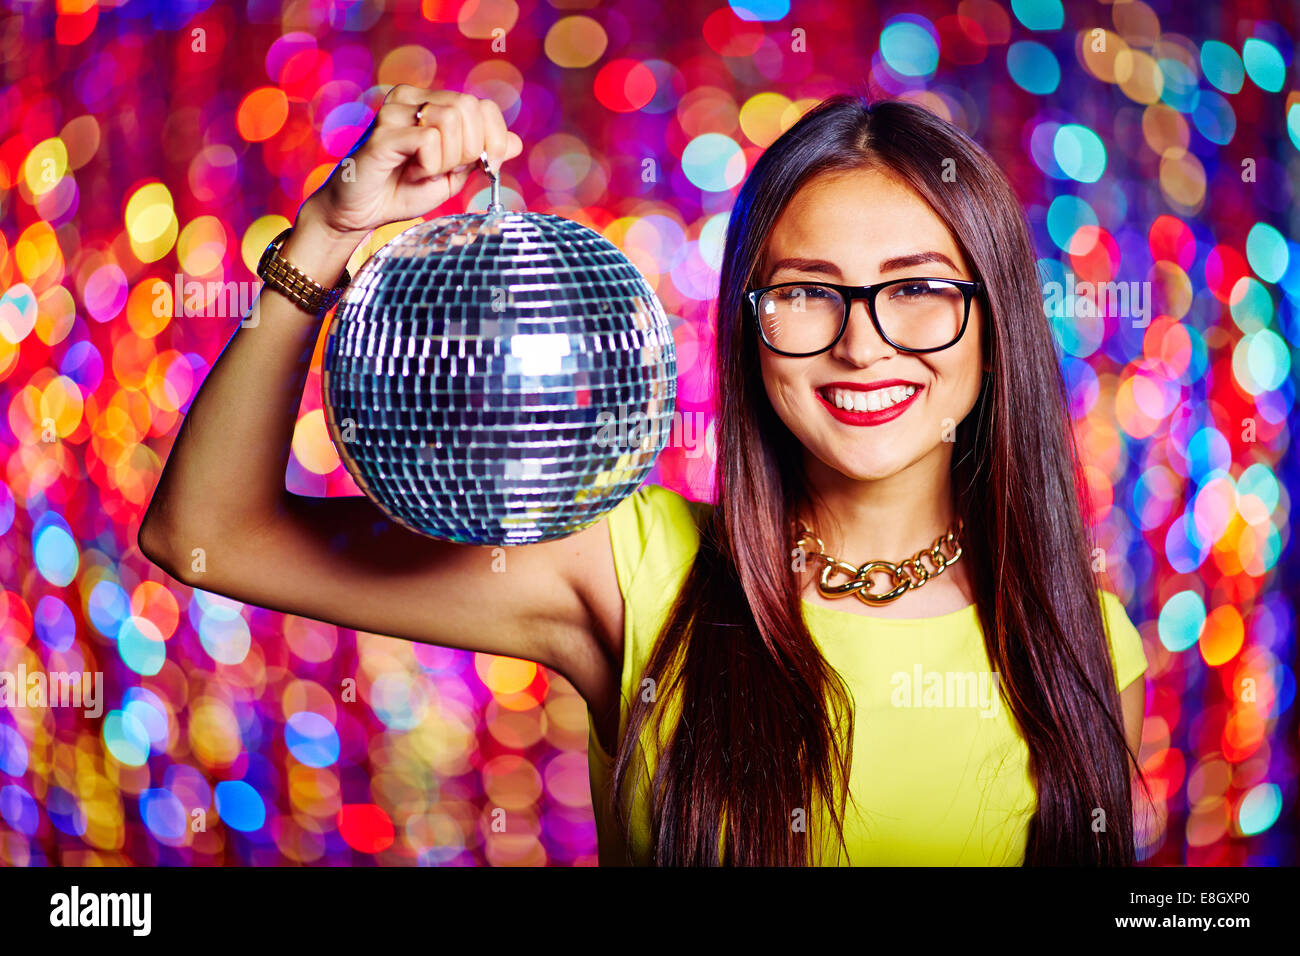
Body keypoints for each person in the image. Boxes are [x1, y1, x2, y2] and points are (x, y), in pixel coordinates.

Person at [140, 87, 1148, 867]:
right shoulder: (631, 567)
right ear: (748, 325)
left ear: (997, 317)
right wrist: (326, 233)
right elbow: (207, 531)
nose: (863, 345)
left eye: (919, 290)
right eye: (807, 293)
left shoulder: (1084, 644)